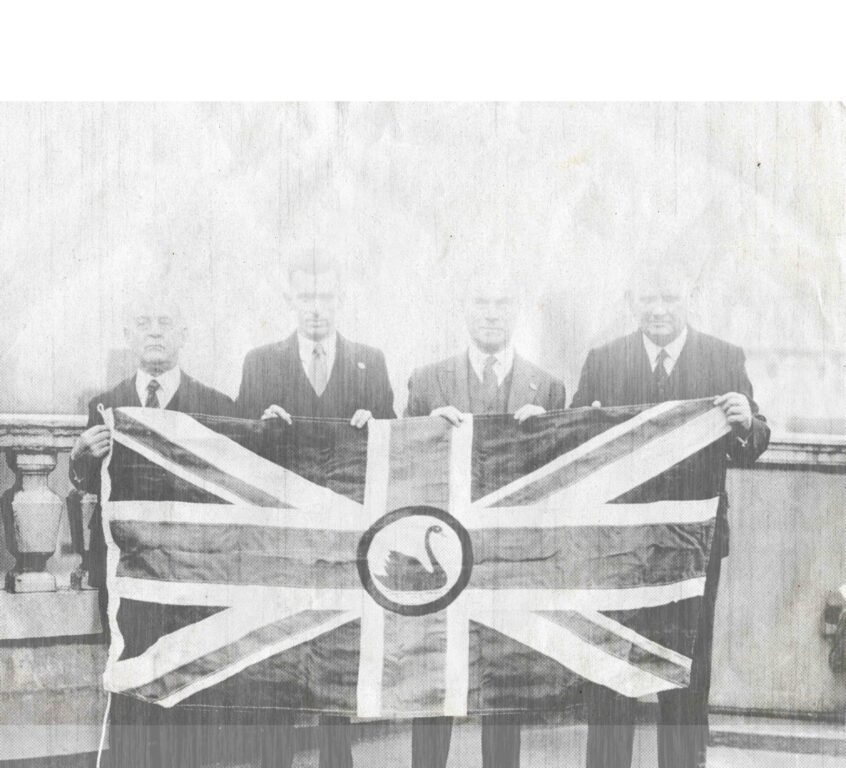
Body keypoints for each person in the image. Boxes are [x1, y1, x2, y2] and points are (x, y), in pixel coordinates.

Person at [570, 264, 770, 768]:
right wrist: (585, 426)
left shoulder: (724, 358)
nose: (658, 309)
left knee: (685, 668)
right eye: (648, 298)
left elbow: (752, 442)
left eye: (669, 297)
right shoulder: (604, 360)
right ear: (630, 299)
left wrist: (747, 421)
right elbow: (571, 440)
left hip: (694, 547)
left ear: (689, 298)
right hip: (619, 546)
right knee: (613, 667)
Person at [235, 250, 396, 768]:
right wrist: (261, 425)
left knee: (338, 669)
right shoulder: (260, 363)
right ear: (290, 298)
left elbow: (394, 447)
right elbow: (239, 452)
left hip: (346, 541)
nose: (316, 309)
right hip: (283, 541)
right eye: (306, 296)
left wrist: (378, 423)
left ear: (340, 298)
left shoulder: (371, 360)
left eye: (325, 297)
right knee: (279, 661)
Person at [405, 271, 567, 768]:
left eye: (502, 303)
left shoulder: (550, 387)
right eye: (481, 303)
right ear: (464, 309)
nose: (492, 313)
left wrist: (548, 435)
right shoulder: (427, 380)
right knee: (437, 676)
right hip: (444, 552)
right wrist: (426, 432)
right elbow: (401, 467)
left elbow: (564, 483)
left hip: (509, 558)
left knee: (505, 681)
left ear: (516, 312)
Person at [69, 290, 235, 768]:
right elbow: (90, 489)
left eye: (166, 322)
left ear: (183, 334)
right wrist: (81, 457)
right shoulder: (105, 405)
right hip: (129, 577)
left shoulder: (215, 404)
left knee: (191, 690)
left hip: (192, 577)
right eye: (144, 323)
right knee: (132, 689)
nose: (155, 331)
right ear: (128, 336)